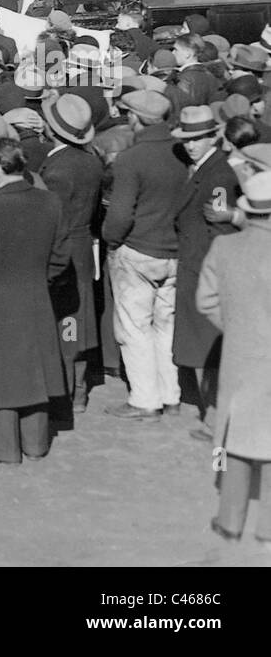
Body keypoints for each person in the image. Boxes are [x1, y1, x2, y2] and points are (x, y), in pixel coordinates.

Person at [0, 139, 70, 464]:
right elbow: (60, 258)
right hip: (37, 298)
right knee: (33, 370)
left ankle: (4, 448)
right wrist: (41, 281)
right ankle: (36, 444)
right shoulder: (51, 202)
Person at [101, 89, 189, 420]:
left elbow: (120, 215)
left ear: (135, 119)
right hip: (174, 250)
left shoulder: (131, 160)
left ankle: (143, 400)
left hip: (137, 250)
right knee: (166, 325)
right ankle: (172, 395)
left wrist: (111, 239)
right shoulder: (182, 154)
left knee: (135, 328)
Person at [197, 170, 271, 547]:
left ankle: (229, 521)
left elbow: (205, 300)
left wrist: (238, 327)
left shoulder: (225, 248)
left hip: (240, 355)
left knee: (233, 438)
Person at [170, 105, 241, 441]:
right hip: (195, 263)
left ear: (213, 136)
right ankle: (205, 409)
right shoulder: (204, 168)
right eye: (187, 139)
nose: (191, 145)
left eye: (197, 138)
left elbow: (219, 225)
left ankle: (215, 418)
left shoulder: (218, 175)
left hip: (203, 268)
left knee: (213, 346)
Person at [37, 93, 105, 414]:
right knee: (79, 320)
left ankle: (65, 393)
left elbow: (52, 218)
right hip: (83, 246)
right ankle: (78, 389)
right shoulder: (91, 161)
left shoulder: (56, 170)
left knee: (64, 319)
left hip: (61, 249)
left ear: (51, 130)